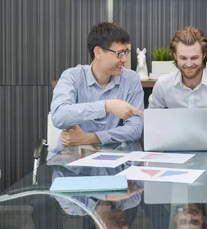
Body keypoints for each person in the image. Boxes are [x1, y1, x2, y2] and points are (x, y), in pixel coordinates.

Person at [50, 22, 144, 150]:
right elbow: (59, 116)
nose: (124, 59)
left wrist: (90, 138)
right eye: (119, 53)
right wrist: (106, 106)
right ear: (98, 52)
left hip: (114, 160)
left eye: (125, 52)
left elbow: (135, 129)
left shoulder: (131, 79)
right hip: (71, 161)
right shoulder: (72, 76)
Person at [148, 26, 207, 131]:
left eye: (194, 58)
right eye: (183, 58)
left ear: (204, 55)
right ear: (175, 56)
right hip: (174, 146)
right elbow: (151, 124)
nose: (189, 64)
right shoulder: (163, 84)